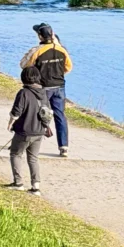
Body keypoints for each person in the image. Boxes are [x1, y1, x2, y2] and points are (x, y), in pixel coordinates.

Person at [20, 22, 72, 157]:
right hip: (59, 86)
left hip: (43, 87)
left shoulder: (38, 50)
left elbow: (25, 65)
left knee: (38, 113)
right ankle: (64, 147)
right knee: (60, 115)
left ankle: (31, 142)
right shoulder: (62, 50)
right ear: (52, 34)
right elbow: (68, 67)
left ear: (40, 36)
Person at [6, 66, 53, 193]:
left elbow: (16, 112)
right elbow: (48, 111)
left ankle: (18, 182)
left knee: (15, 154)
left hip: (24, 131)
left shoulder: (23, 93)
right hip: (39, 131)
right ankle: (36, 187)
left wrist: (10, 124)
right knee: (33, 158)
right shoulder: (43, 93)